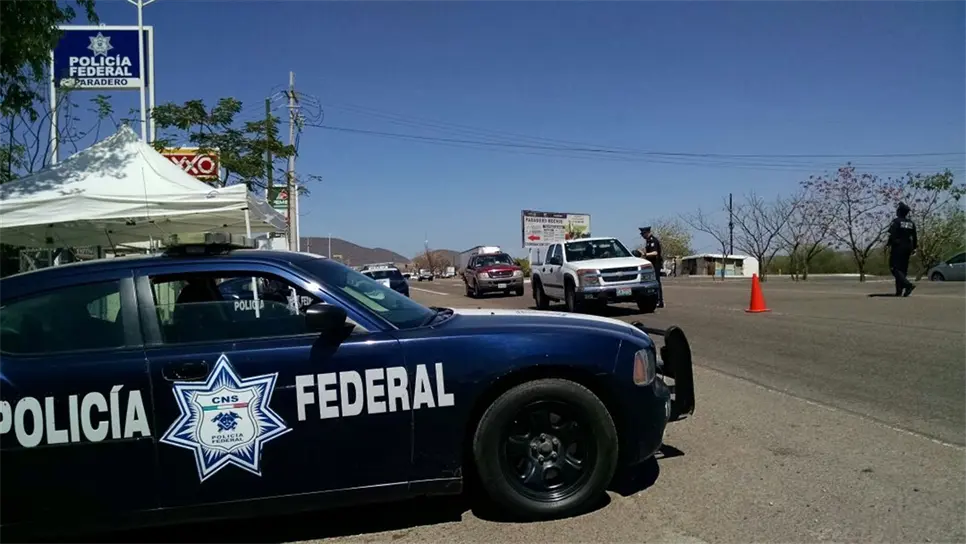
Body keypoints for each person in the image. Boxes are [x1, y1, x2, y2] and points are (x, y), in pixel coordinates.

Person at [886, 202, 918, 297]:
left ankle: (908, 285)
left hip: (898, 247)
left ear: (899, 212)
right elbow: (915, 237)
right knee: (902, 270)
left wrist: (889, 244)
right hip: (908, 247)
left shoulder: (896, 221)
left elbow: (892, 234)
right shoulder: (911, 223)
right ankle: (899, 291)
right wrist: (914, 248)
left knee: (894, 268)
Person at [639, 226, 665, 308]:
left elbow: (655, 253)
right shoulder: (648, 241)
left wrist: (645, 254)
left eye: (643, 234)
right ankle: (655, 299)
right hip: (651, 264)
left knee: (656, 282)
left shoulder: (653, 240)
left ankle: (660, 301)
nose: (642, 236)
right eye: (641, 234)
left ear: (648, 232)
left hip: (655, 264)